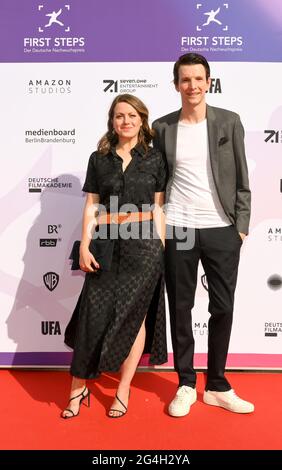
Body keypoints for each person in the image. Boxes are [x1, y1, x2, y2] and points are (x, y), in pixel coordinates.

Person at [152, 53, 254, 416]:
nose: (192, 86)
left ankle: (217, 384)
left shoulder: (229, 121)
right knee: (180, 307)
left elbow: (243, 179)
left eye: (198, 79)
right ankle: (185, 382)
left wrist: (240, 228)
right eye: (185, 80)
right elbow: (157, 182)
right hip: (180, 228)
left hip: (222, 229)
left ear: (208, 82)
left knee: (222, 307)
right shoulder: (162, 127)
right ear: (176, 84)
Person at [61, 94, 167, 419]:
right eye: (120, 116)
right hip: (105, 241)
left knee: (134, 320)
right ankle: (77, 391)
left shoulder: (155, 159)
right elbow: (92, 204)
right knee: (94, 316)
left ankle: (123, 389)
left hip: (144, 247)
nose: (126, 121)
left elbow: (159, 207)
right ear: (112, 120)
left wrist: (162, 248)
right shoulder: (99, 158)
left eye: (132, 115)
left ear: (142, 120)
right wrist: (83, 245)